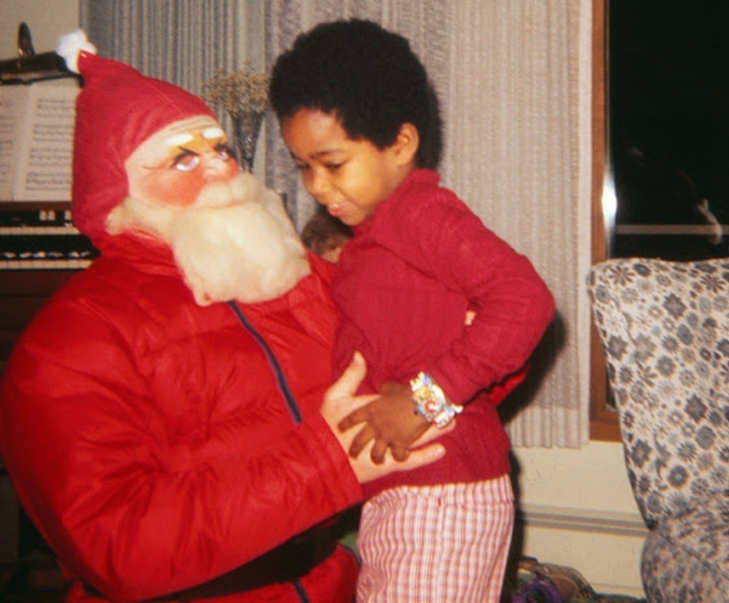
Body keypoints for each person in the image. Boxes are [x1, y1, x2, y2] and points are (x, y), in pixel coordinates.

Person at [0, 31, 446, 603]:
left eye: (220, 148)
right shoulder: (68, 342)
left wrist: (434, 393)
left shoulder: (296, 276)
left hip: (334, 584)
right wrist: (326, 462)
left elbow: (465, 358)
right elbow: (118, 546)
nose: (218, 168)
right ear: (118, 190)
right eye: (183, 157)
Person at [270, 19, 555, 602]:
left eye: (332, 163)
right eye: (302, 167)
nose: (316, 186)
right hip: (407, 487)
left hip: (439, 492)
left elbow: (525, 300)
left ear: (400, 144)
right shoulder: (375, 236)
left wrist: (429, 398)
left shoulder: (419, 215)